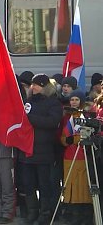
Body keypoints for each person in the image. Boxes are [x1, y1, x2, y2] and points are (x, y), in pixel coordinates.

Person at [19, 74, 63, 224]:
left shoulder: (53, 103)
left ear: (45, 86)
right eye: (33, 84)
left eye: (37, 85)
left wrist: (31, 119)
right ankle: (32, 212)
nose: (33, 87)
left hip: (44, 150)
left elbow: (52, 122)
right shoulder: (28, 101)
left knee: (44, 184)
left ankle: (45, 213)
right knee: (28, 183)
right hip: (27, 149)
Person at [60, 90, 93, 224]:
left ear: (81, 101)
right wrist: (71, 140)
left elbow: (88, 135)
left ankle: (83, 215)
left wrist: (75, 138)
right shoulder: (67, 118)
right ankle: (71, 213)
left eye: (76, 99)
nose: (73, 102)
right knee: (70, 185)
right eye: (72, 99)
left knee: (83, 187)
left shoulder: (86, 116)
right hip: (69, 156)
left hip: (83, 155)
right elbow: (63, 138)